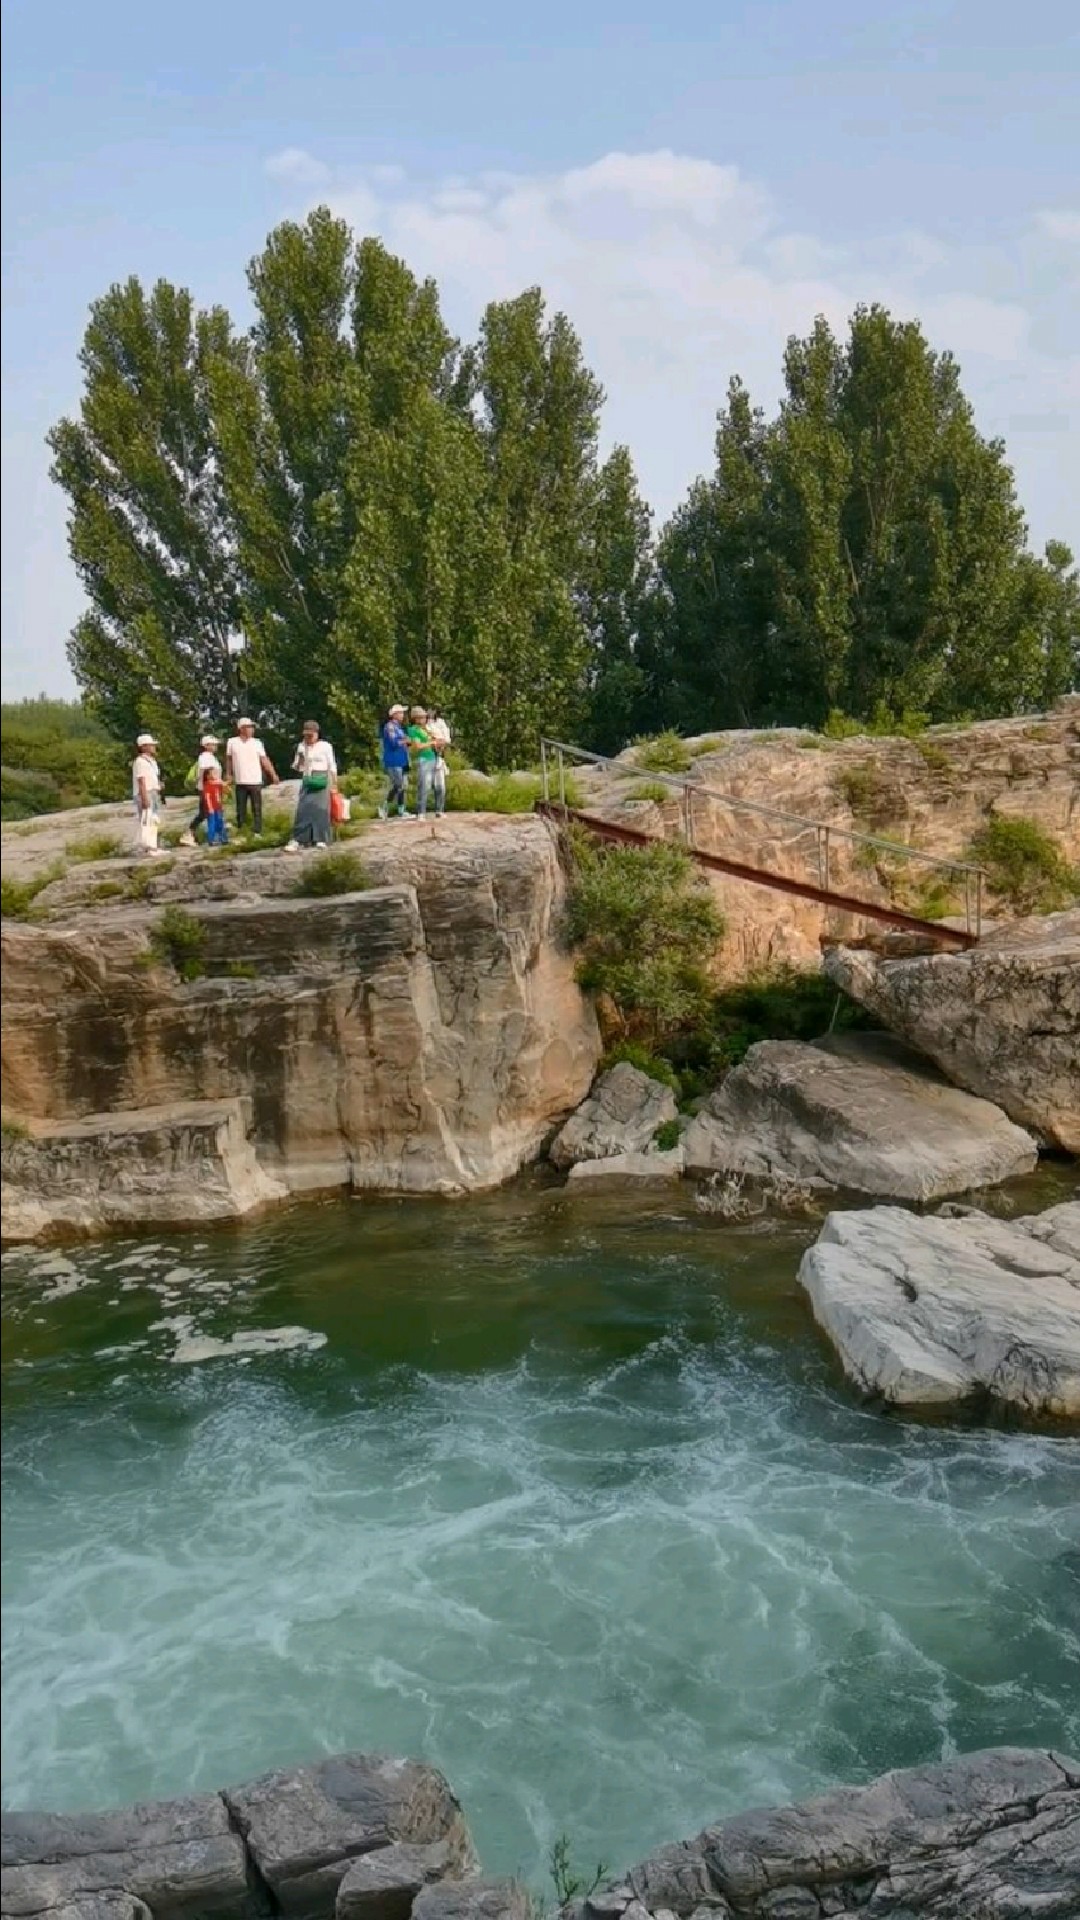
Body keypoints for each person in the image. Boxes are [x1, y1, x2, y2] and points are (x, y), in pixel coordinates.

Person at [285, 720, 338, 851]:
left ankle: (321, 838)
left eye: (311, 735)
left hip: (322, 777)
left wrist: (334, 782)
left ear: (316, 733)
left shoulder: (325, 746)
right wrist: (301, 759)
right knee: (303, 809)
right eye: (306, 735)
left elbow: (331, 764)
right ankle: (299, 838)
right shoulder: (301, 746)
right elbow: (297, 766)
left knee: (321, 809)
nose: (308, 738)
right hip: (308, 778)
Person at [226, 718, 279, 835]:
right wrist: (229, 774)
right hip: (240, 781)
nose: (251, 730)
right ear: (241, 729)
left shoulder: (257, 743)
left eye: (252, 727)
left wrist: (273, 774)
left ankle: (257, 831)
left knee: (256, 808)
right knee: (240, 809)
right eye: (248, 727)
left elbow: (264, 759)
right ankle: (242, 830)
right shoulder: (232, 742)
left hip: (255, 780)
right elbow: (229, 760)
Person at [180, 735, 224, 847]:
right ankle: (191, 833)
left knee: (204, 813)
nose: (215, 746)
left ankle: (194, 833)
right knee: (207, 812)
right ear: (206, 746)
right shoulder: (205, 757)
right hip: (208, 789)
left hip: (211, 789)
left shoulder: (210, 757)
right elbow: (207, 773)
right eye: (213, 744)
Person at [131, 733, 163, 856]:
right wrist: (144, 797)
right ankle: (148, 847)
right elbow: (141, 780)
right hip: (145, 792)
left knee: (154, 819)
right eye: (151, 745)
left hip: (153, 791)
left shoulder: (151, 761)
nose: (154, 747)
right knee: (147, 819)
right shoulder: (140, 761)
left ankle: (153, 845)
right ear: (143, 747)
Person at [378, 704, 411, 818]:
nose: (403, 715)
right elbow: (393, 743)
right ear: (394, 714)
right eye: (401, 713)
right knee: (398, 784)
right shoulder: (390, 727)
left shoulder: (399, 728)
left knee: (402, 785)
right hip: (393, 760)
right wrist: (404, 741)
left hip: (402, 759)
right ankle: (385, 807)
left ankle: (401, 809)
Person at [407, 706, 439, 819]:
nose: (424, 719)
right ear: (416, 719)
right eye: (422, 717)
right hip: (423, 759)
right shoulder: (413, 730)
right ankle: (421, 812)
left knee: (434, 785)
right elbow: (418, 746)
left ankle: (434, 810)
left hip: (432, 757)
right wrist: (431, 743)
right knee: (423, 785)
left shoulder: (426, 729)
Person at [426, 708, 451, 817]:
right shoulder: (423, 725)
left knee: (440, 785)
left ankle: (439, 810)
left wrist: (440, 743)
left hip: (439, 755)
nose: (430, 712)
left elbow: (447, 739)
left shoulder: (440, 722)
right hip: (427, 756)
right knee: (426, 785)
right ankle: (421, 810)